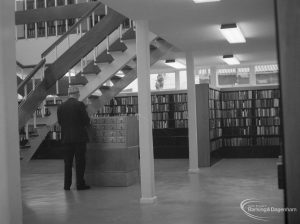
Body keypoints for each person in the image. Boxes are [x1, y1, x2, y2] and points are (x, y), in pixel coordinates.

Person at [57, 86, 91, 191]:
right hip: (79, 138)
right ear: (77, 94)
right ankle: (80, 184)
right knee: (80, 162)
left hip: (66, 139)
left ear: (69, 94)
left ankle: (67, 185)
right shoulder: (79, 105)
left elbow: (60, 122)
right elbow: (86, 121)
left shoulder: (61, 106)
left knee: (67, 163)